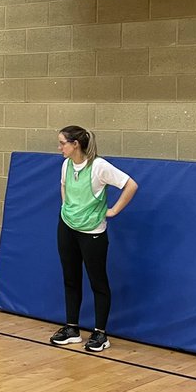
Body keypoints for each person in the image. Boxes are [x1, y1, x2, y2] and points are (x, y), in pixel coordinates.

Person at [51, 125, 138, 353]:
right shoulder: (66, 164)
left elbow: (131, 185)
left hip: (92, 232)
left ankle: (100, 333)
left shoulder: (99, 166)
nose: (59, 147)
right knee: (71, 278)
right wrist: (67, 208)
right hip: (67, 227)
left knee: (97, 282)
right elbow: (64, 187)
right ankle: (72, 329)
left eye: (62, 143)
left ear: (75, 144)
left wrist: (113, 210)